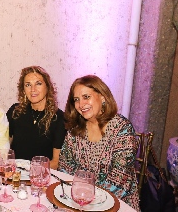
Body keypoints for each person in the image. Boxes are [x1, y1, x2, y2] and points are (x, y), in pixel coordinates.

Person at [58, 75, 140, 211]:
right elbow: (64, 168)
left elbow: (118, 182)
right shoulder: (75, 131)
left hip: (117, 205)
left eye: (86, 97)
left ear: (102, 97)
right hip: (79, 202)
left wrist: (84, 196)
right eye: (76, 100)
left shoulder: (121, 129)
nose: (81, 105)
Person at [6, 66, 65, 169]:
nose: (33, 89)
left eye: (38, 83)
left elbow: (56, 162)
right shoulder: (15, 111)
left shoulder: (59, 118)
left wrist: (33, 172)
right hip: (14, 175)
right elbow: (4, 147)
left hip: (41, 177)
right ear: (23, 90)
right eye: (28, 85)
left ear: (47, 86)